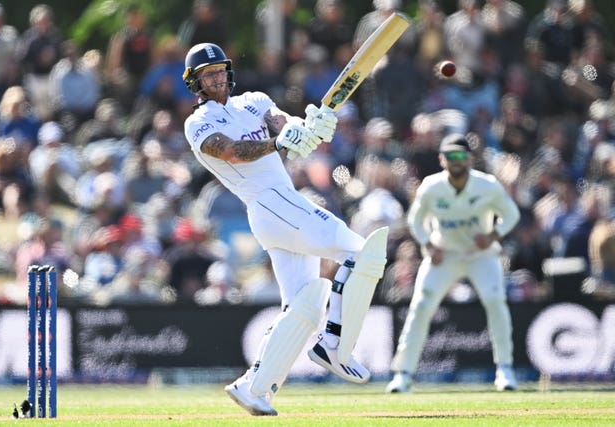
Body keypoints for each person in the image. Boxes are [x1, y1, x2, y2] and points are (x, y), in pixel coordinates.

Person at [182, 43, 388, 416]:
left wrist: (309, 129)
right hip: (267, 203)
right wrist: (279, 142)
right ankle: (336, 346)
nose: (214, 78)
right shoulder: (198, 122)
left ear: (227, 71)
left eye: (218, 70)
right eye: (206, 74)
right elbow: (230, 151)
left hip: (281, 207)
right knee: (362, 254)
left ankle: (253, 388)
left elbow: (283, 123)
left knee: (305, 304)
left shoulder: (253, 101)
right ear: (195, 83)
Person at [386, 133, 521, 393]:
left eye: (461, 156)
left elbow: (512, 215)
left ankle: (505, 370)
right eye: (450, 156)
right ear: (441, 160)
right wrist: (427, 244)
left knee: (495, 301)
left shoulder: (488, 185)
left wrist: (493, 235)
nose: (456, 161)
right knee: (421, 305)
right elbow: (415, 221)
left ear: (470, 159)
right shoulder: (431, 186)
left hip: (479, 255)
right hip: (444, 254)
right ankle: (403, 374)